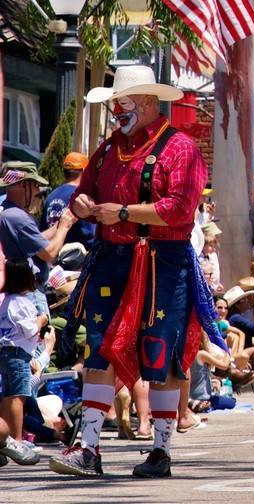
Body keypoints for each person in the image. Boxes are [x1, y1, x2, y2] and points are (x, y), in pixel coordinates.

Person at [50, 65, 221, 480]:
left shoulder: (181, 148)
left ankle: (160, 450)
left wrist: (122, 212)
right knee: (100, 346)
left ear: (147, 102)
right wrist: (85, 205)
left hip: (163, 261)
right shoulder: (108, 150)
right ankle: (88, 446)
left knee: (159, 353)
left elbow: (180, 208)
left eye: (121, 104)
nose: (115, 112)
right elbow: (79, 195)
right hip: (112, 258)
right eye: (112, 105)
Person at [0, 164, 76, 315]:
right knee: (41, 337)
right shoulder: (18, 217)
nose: (36, 191)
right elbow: (49, 253)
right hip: (29, 294)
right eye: (35, 185)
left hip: (17, 293)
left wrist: (62, 222)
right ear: (23, 184)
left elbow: (36, 240)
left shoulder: (7, 211)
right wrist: (64, 228)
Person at [0, 259, 44, 465]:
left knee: (8, 396)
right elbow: (30, 329)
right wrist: (41, 320)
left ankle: (5, 439)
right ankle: (17, 439)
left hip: (6, 352)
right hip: (18, 355)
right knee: (18, 397)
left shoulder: (7, 300)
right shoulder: (22, 302)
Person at [43, 152, 95, 250]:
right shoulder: (82, 199)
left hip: (52, 258)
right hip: (75, 260)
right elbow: (90, 236)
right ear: (85, 171)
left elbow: (43, 230)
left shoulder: (50, 196)